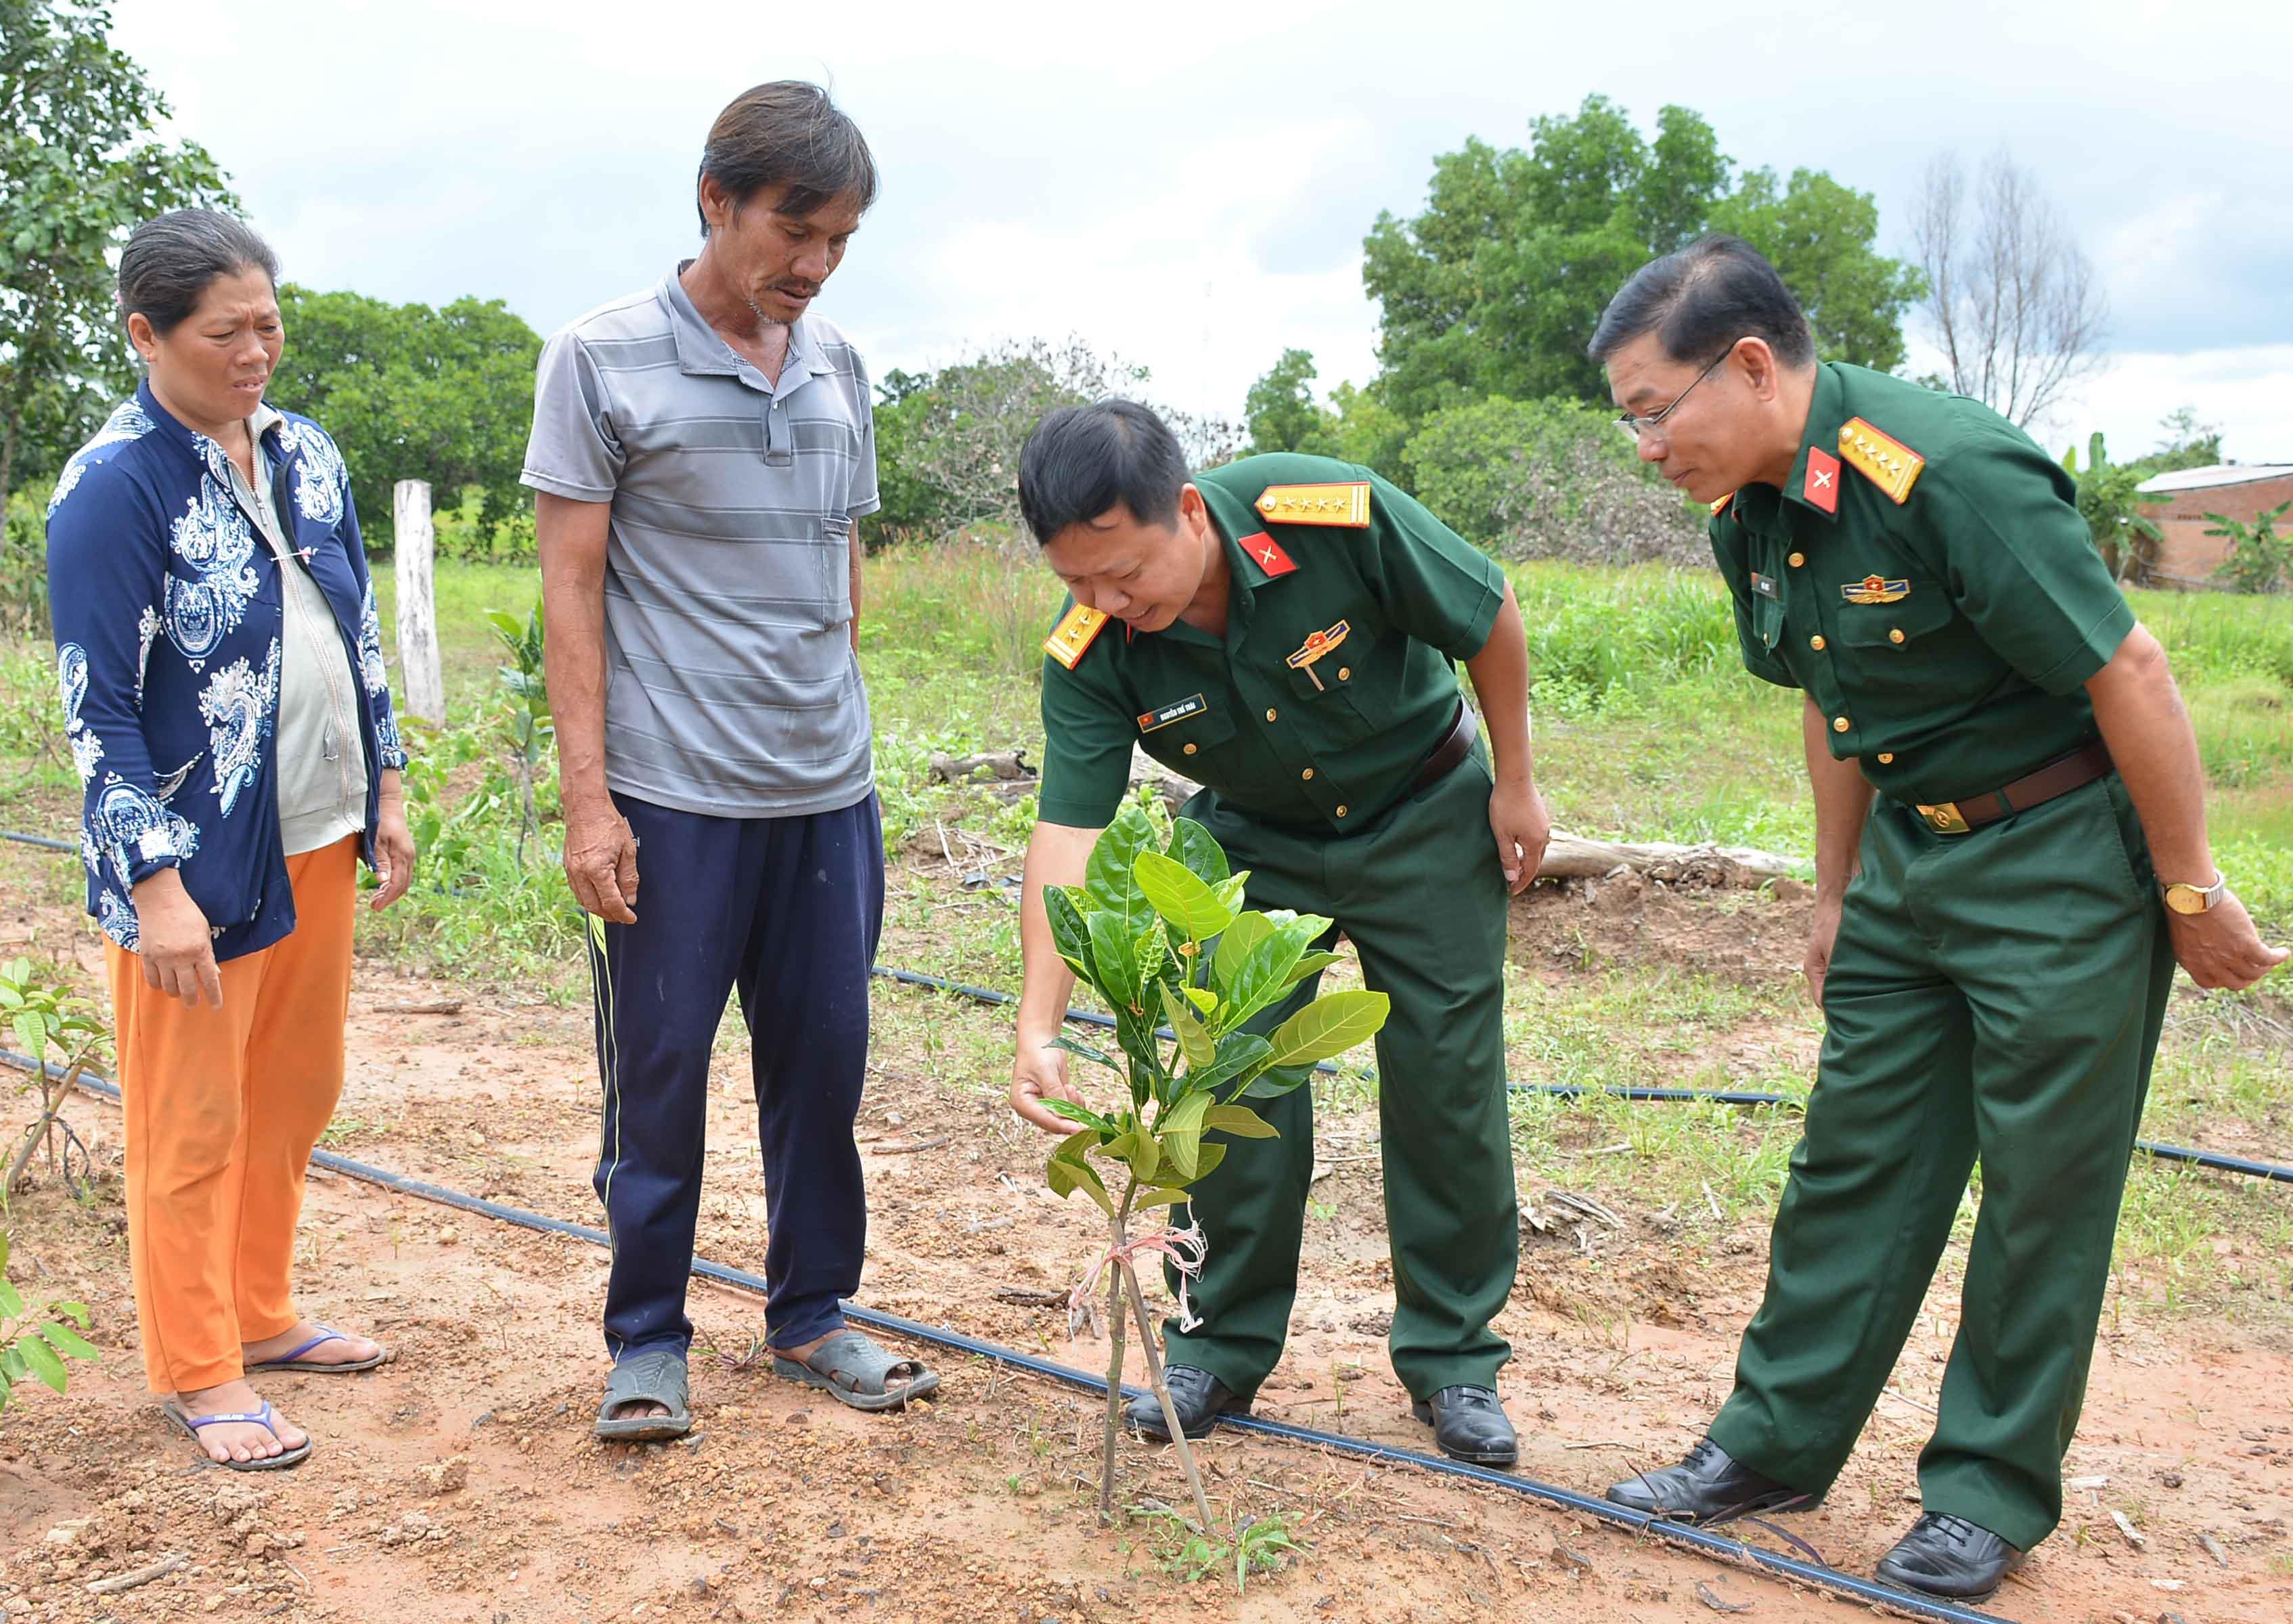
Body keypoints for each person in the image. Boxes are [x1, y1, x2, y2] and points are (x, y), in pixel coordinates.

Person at [1586, 235, 2288, 1601]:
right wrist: (1835, 892)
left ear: (1747, 365)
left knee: (2040, 1191)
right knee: (1851, 1159)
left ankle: (1982, 1496)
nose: (1643, 447)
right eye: (1627, 420)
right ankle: (1771, 1444)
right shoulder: (1755, 508)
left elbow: (2126, 667)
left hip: (2057, 866)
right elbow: (1834, 699)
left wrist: (2187, 885)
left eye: (1652, 411)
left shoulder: (1944, 472)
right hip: (1910, 862)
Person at [1007, 400, 1549, 1466]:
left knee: (1447, 1082)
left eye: (1126, 574)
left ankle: (1454, 1363)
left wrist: (1518, 785)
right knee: (1234, 1080)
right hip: (1254, 843)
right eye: (1079, 584)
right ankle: (1222, 1344)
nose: (1111, 602)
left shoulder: (1328, 516)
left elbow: (1489, 616)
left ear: (1189, 512)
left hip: (1427, 811)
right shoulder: (1090, 654)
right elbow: (1067, 835)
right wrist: (1039, 1020)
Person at [525, 81, 934, 1441]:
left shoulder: (838, 366)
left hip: (826, 791)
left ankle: (814, 1314)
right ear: (716, 201)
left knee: (822, 1061)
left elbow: (839, 559)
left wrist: (840, 715)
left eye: (838, 242)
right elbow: (569, 589)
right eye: (792, 230)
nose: (811, 266)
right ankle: (645, 1339)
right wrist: (591, 804)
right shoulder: (600, 359)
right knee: (660, 1069)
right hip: (672, 794)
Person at [45, 210, 418, 1471]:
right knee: (191, 1120)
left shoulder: (303, 450)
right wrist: (153, 884)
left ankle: (262, 1314)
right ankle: (200, 1368)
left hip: (315, 831)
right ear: (146, 334)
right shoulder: (114, 486)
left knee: (294, 1096)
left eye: (268, 323)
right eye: (225, 333)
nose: (256, 351)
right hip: (195, 867)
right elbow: (93, 703)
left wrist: (391, 789)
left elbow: (354, 630)